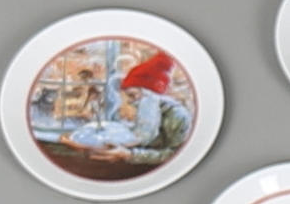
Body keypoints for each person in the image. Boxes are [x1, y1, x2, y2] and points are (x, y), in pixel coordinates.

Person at [59, 51, 192, 167]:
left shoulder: (178, 116)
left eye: (133, 95)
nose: (130, 101)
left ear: (150, 95)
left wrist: (130, 155)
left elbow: (177, 155)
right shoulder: (150, 110)